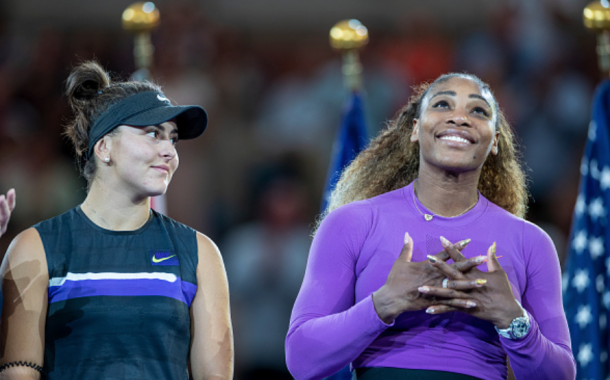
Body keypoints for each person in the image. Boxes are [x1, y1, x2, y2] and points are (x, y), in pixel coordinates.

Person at [286, 73, 576, 380]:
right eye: (442, 104)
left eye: (478, 111)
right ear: (415, 129)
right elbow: (301, 358)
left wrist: (513, 319)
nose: (460, 118)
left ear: (495, 141)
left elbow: (560, 375)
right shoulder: (353, 222)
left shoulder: (531, 241)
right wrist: (384, 303)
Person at [0, 62, 233, 379]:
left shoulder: (200, 253)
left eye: (172, 139)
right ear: (104, 147)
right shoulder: (35, 247)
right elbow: (18, 373)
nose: (169, 151)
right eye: (152, 134)